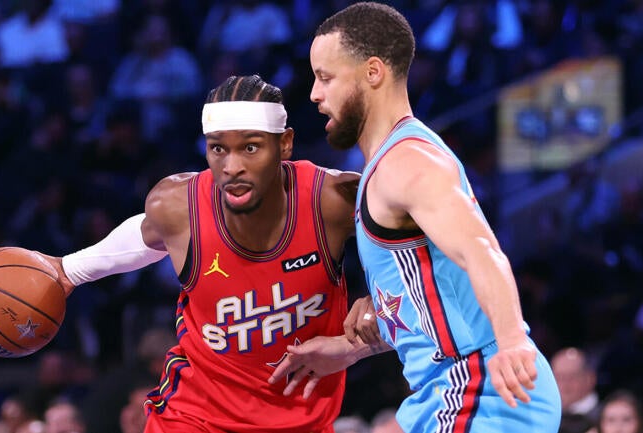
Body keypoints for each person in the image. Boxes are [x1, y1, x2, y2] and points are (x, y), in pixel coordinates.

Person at [268, 3, 562, 432]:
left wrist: (513, 339)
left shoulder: (406, 163)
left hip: (480, 386)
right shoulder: (392, 162)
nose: (314, 93)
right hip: (454, 388)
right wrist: (350, 348)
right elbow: (437, 298)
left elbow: (481, 251)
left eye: (326, 78)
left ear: (372, 73)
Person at [43, 74, 374, 432]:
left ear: (285, 144)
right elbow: (148, 234)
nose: (231, 167)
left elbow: (418, 271)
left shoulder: (334, 200)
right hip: (193, 417)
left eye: (250, 148)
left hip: (301, 420)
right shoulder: (176, 205)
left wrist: (360, 341)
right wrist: (70, 269)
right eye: (218, 149)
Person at [551, 347, 601, 433]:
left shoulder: (604, 417)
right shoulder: (546, 416)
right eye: (558, 377)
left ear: (590, 379)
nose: (564, 385)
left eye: (571, 377)